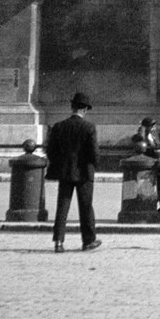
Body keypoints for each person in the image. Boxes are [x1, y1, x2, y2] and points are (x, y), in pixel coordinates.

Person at [46, 91, 101, 252]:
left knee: (62, 206)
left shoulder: (59, 126)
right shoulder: (89, 127)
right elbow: (94, 152)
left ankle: (58, 241)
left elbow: (51, 151)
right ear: (85, 109)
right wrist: (95, 166)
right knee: (86, 207)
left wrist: (60, 164)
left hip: (65, 171)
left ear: (72, 107)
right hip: (84, 172)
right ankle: (88, 240)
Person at [131, 115, 160, 221]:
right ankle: (150, 209)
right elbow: (138, 146)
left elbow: (159, 147)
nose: (153, 128)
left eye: (153, 126)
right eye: (151, 126)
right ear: (145, 127)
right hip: (148, 167)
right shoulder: (138, 137)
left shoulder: (154, 136)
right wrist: (142, 134)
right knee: (149, 189)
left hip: (159, 166)